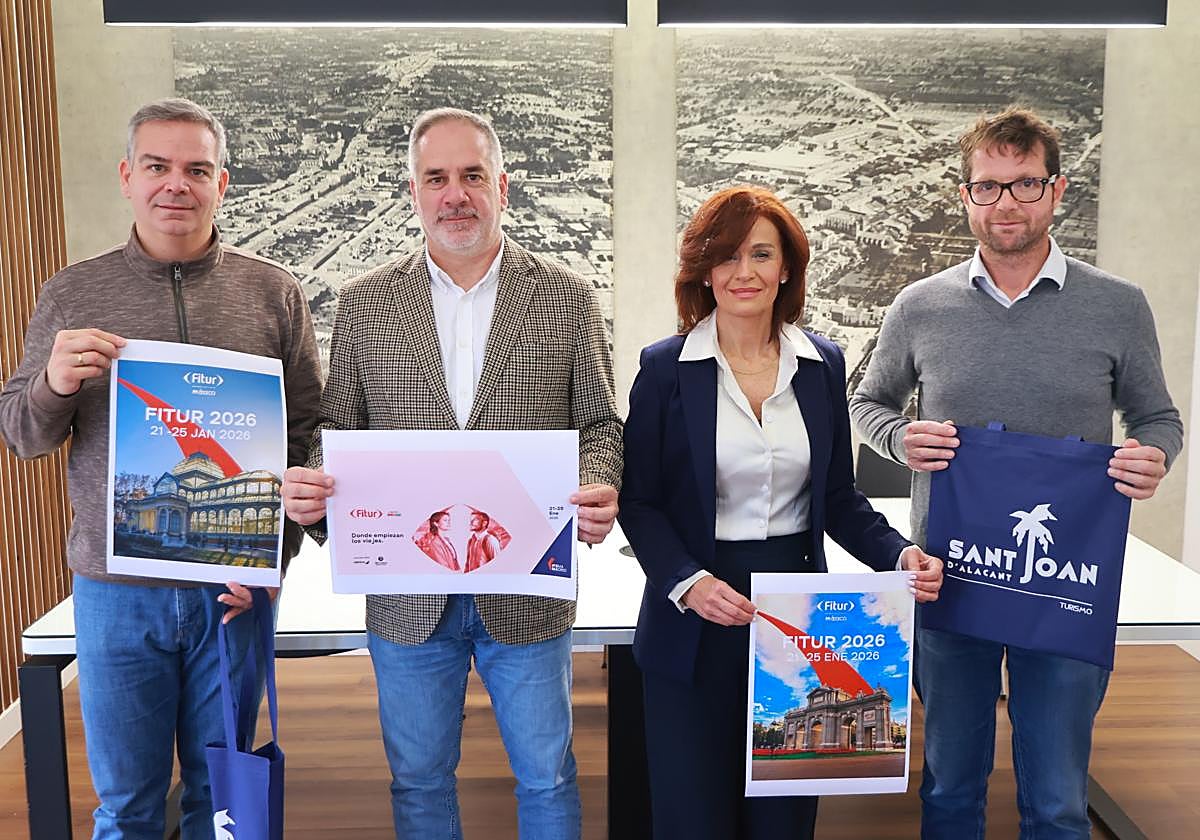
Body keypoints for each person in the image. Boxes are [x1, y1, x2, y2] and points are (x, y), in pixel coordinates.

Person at [280, 107, 623, 839]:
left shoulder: (567, 296)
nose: (455, 194)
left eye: (472, 176)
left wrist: (600, 482)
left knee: (548, 777)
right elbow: (338, 427)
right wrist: (313, 479)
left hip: (527, 586)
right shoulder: (367, 301)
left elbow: (599, 423)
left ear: (502, 185)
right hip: (408, 594)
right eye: (436, 178)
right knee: (418, 782)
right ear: (414, 191)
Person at [850, 106, 1184, 839]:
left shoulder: (1118, 305)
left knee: (1058, 800)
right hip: (951, 573)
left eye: (1025, 183)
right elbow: (866, 402)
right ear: (965, 195)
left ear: (1056, 190)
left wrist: (1152, 455)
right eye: (988, 186)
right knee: (949, 787)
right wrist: (900, 439)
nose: (1006, 203)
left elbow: (1158, 417)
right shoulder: (919, 305)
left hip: (1066, 583)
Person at [0, 98, 322, 839]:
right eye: (157, 166)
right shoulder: (73, 293)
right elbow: (20, 435)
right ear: (127, 177)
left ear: (222, 183)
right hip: (116, 595)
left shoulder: (273, 292)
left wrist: (274, 558)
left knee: (222, 796)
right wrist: (53, 383)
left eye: (196, 169)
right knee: (127, 805)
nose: (176, 184)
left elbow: (308, 436)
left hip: (232, 592)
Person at [619, 185, 944, 840]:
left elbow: (838, 498)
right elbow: (640, 500)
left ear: (787, 267)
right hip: (695, 613)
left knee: (783, 821)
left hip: (797, 618)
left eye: (761, 254)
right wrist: (687, 581)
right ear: (704, 271)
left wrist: (898, 553)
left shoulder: (822, 365)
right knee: (693, 817)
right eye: (727, 255)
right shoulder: (664, 369)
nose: (744, 272)